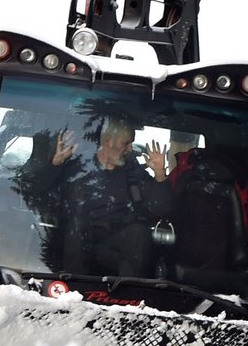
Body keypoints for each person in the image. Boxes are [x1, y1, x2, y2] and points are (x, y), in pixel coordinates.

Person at [16, 117, 172, 277]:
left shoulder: (134, 174)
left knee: (138, 232)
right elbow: (35, 194)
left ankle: (129, 292)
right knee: (78, 225)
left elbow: (161, 209)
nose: (130, 149)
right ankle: (73, 290)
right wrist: (55, 164)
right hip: (74, 244)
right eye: (125, 143)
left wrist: (160, 174)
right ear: (108, 141)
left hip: (117, 247)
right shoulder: (77, 167)